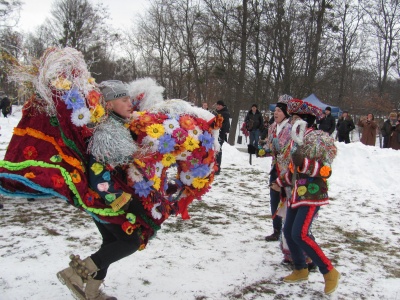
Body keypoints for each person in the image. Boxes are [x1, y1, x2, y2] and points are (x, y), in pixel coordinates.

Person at [57, 80, 141, 300]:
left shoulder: (118, 126)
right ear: (110, 105)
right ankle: (74, 274)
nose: (129, 103)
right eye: (123, 99)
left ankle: (92, 293)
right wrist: (122, 200)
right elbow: (98, 176)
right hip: (104, 200)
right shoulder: (107, 132)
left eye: (129, 99)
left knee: (111, 243)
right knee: (130, 242)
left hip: (102, 200)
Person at [281, 98, 340, 295]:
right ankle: (300, 268)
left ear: (304, 119)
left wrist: (304, 163)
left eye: (294, 117)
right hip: (297, 193)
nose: (291, 121)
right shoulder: (295, 139)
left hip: (313, 193)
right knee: (289, 232)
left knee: (301, 233)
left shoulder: (319, 139)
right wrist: (282, 182)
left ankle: (329, 271)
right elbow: (293, 168)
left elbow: (326, 170)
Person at [263, 94, 292, 241]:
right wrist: (265, 149)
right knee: (274, 199)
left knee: (287, 199)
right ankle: (276, 229)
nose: (276, 113)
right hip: (275, 168)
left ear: (286, 112)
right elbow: (269, 144)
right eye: (275, 110)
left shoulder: (291, 127)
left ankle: (288, 230)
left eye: (279, 110)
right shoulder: (272, 127)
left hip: (287, 170)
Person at [214, 100, 230, 175]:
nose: (218, 106)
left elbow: (225, 124)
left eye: (220, 105)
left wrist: (217, 126)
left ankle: (217, 168)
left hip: (221, 135)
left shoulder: (225, 113)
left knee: (218, 151)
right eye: (217, 105)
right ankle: (213, 167)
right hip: (214, 134)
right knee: (214, 151)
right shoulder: (216, 112)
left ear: (222, 106)